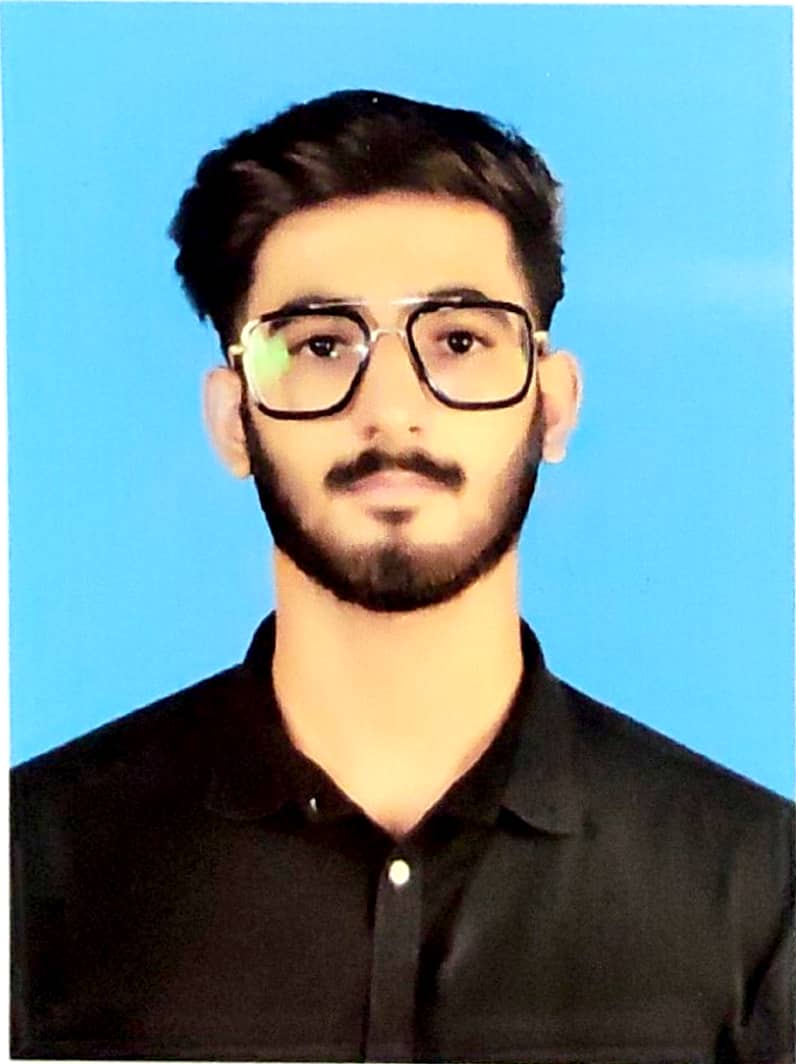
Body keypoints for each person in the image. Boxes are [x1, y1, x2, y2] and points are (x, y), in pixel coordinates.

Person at [11, 89, 793, 1063]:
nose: (390, 408)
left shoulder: (758, 889)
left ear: (552, 405)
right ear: (231, 419)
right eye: (319, 345)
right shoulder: (32, 867)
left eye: (459, 340)